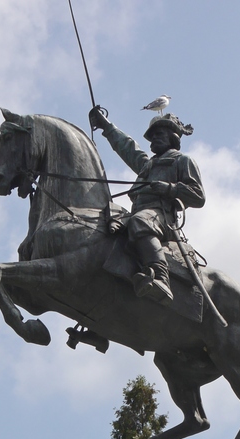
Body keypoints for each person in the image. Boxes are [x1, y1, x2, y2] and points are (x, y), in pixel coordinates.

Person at [89, 105, 204, 303]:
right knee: (103, 231)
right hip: (139, 213)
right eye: (152, 136)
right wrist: (105, 125)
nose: (153, 139)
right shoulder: (148, 164)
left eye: (159, 134)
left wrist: (169, 188)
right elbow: (127, 147)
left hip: (162, 218)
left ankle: (161, 278)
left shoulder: (182, 161)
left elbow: (198, 195)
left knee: (140, 221)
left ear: (172, 137)